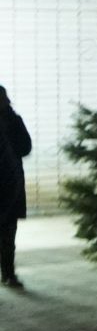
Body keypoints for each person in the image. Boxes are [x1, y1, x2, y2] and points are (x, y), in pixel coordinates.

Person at [1, 83, 30, 289]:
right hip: (11, 182)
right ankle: (8, 274)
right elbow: (25, 147)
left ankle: (8, 273)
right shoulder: (14, 120)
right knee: (8, 233)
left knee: (8, 232)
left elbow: (25, 147)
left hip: (10, 183)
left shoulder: (13, 121)